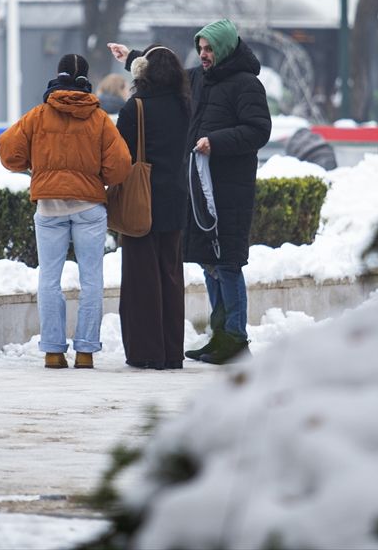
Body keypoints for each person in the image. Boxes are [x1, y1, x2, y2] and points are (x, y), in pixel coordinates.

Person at [109, 18, 271, 365]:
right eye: (200, 49)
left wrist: (216, 141)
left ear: (224, 48)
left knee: (227, 263)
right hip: (198, 189)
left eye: (209, 49)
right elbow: (165, 73)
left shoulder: (247, 85)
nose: (203, 54)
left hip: (229, 189)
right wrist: (132, 58)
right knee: (210, 263)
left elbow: (259, 130)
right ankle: (219, 338)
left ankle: (235, 339)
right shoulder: (199, 78)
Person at [0, 54, 131, 370]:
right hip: (89, 207)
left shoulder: (38, 115)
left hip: (49, 207)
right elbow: (121, 164)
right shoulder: (99, 118)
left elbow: (7, 150)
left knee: (49, 278)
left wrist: (35, 167)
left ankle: (53, 352)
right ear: (86, 78)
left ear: (57, 76)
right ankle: (85, 352)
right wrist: (97, 178)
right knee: (91, 279)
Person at [112, 45, 190, 370]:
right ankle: (172, 352)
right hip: (176, 199)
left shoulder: (136, 107)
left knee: (141, 277)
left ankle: (146, 352)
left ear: (142, 71)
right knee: (171, 276)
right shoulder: (185, 106)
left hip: (141, 201)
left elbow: (119, 156)